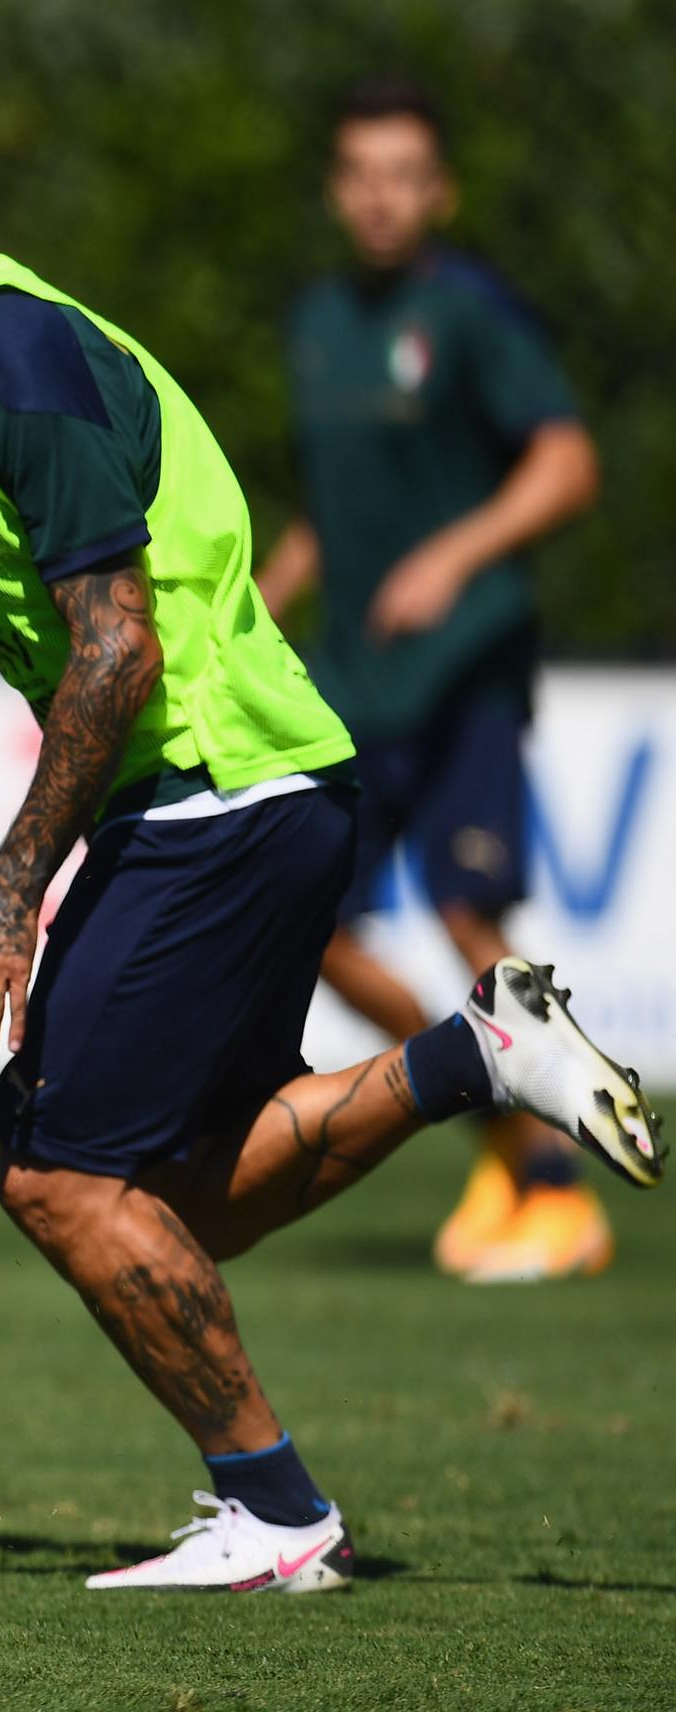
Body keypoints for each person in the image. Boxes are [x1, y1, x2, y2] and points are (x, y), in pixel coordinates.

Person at [0, 62, 659, 1593]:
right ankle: (477, 1056)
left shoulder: (5, 351)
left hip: (217, 793)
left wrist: (7, 900)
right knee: (171, 1201)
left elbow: (119, 650)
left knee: (59, 1181)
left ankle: (281, 1514)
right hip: (247, 788)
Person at [257, 79, 609, 1283]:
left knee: (470, 919)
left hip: (466, 668)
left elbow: (568, 464)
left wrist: (454, 557)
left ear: (440, 192)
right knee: (309, 925)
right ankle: (511, 1137)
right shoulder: (317, 321)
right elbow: (339, 502)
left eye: (404, 175)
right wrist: (267, 594)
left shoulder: (472, 315)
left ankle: (559, 1191)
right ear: (335, 188)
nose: (381, 196)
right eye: (360, 173)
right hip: (354, 683)